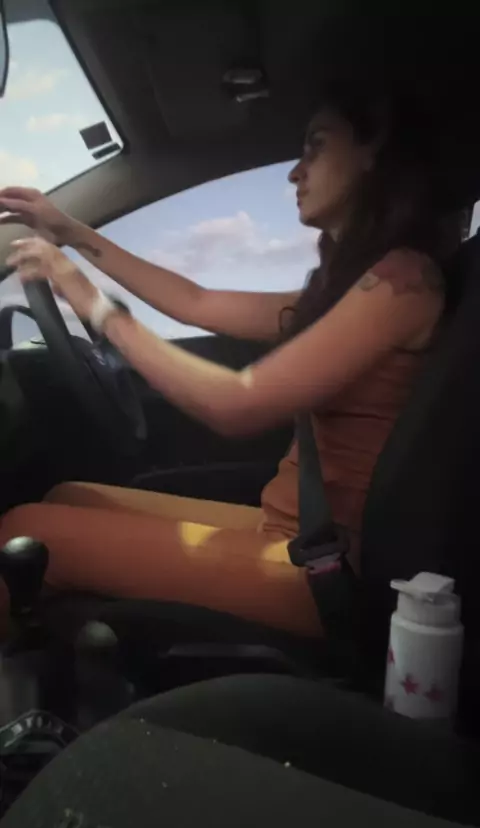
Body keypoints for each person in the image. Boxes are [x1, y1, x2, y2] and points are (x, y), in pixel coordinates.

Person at [0, 83, 455, 639]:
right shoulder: (350, 291)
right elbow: (196, 302)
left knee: (25, 530)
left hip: (325, 571)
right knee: (69, 496)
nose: (295, 172)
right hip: (294, 532)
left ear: (375, 151)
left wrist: (94, 306)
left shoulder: (403, 282)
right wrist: (71, 233)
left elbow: (235, 405)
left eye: (316, 146)